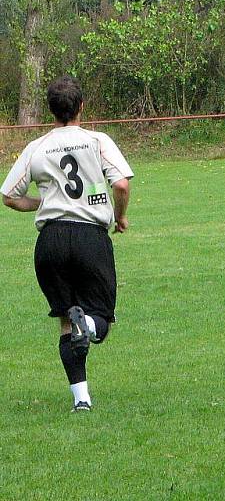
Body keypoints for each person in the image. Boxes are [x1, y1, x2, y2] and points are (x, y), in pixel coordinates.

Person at [1, 76, 133, 411]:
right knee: (99, 320)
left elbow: (9, 196)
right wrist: (120, 217)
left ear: (51, 110)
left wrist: (44, 203)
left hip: (50, 242)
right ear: (82, 107)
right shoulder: (97, 140)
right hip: (89, 236)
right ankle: (86, 324)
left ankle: (82, 400)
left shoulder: (37, 147)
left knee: (65, 322)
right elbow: (120, 185)